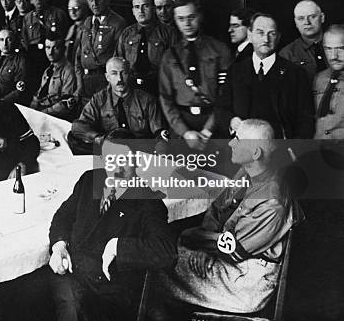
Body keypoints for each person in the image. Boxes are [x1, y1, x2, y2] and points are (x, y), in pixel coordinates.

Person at [153, 119, 301, 317]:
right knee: (157, 252)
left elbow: (234, 248)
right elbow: (216, 210)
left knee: (155, 260)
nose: (230, 143)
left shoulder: (272, 203)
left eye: (237, 140)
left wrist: (200, 245)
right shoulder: (246, 172)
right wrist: (201, 244)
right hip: (225, 256)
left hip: (246, 279)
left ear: (255, 153)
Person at [49, 130, 177, 321]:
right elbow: (63, 217)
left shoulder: (147, 200)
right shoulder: (89, 180)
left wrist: (118, 246)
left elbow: (167, 251)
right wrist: (58, 246)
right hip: (72, 274)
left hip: (108, 289)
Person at [216, 12, 315, 139]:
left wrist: (294, 149)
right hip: (241, 147)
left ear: (278, 37)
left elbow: (305, 120)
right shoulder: (235, 70)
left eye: (271, 34)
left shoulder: (295, 74)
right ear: (250, 35)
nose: (266, 39)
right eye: (260, 32)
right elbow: (221, 108)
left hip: (281, 149)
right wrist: (231, 120)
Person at [159, 0, 231, 149]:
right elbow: (165, 98)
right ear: (175, 21)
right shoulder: (170, 56)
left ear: (199, 16)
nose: (187, 23)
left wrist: (207, 131)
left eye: (191, 17)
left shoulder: (219, 50)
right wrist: (184, 132)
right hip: (182, 125)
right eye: (181, 19)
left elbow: (225, 94)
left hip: (215, 123)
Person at [70, 57, 167, 154]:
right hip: (110, 152)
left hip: (140, 153)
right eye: (114, 73)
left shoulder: (147, 100)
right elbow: (78, 126)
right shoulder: (99, 99)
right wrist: (100, 139)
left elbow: (160, 134)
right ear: (107, 77)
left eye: (123, 73)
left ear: (129, 74)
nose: (119, 79)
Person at [115, 0, 177, 96]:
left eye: (145, 6)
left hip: (159, 89)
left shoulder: (168, 33)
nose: (141, 11)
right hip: (131, 88)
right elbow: (117, 63)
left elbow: (174, 66)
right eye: (137, 7)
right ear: (133, 11)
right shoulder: (127, 33)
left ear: (153, 9)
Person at [75, 0, 126, 102]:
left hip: (104, 82)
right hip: (85, 81)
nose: (94, 4)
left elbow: (119, 57)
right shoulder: (87, 22)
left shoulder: (117, 23)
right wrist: (79, 84)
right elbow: (78, 57)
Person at [22, 0, 69, 75]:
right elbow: (25, 40)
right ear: (30, 0)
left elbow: (64, 36)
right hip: (34, 57)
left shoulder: (58, 14)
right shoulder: (27, 18)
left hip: (54, 54)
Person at [30, 35, 77, 121]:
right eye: (47, 47)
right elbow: (39, 94)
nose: (50, 52)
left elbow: (65, 104)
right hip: (42, 112)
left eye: (55, 48)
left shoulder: (68, 71)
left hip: (54, 117)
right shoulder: (48, 70)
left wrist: (42, 113)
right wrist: (31, 110)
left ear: (63, 49)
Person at [279, 0, 327, 82]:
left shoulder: (339, 44)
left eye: (312, 17)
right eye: (301, 18)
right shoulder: (287, 54)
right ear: (295, 22)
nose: (307, 22)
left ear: (322, 18)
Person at [0, 28, 31, 105]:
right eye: (1, 40)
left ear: (14, 41)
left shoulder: (20, 61)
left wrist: (2, 102)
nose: (5, 44)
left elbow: (19, 90)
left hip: (5, 103)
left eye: (9, 40)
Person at [314, 24, 344, 139]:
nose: (333, 56)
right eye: (328, 49)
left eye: (340, 48)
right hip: (318, 151)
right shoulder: (319, 79)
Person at [64, 0, 89, 64]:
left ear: (86, 8)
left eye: (76, 8)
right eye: (69, 9)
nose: (72, 12)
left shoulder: (89, 28)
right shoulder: (72, 28)